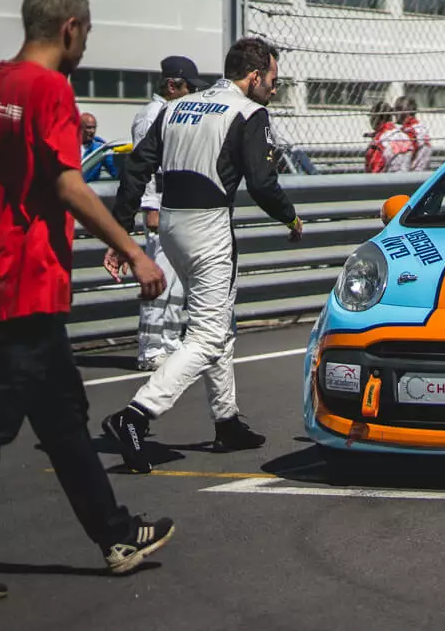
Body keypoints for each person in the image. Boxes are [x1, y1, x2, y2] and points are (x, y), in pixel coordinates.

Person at [0, 0, 173, 603]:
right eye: (88, 34)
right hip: (31, 275)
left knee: (64, 424)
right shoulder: (50, 88)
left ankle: (115, 536)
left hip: (3, 265)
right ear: (72, 29)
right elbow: (66, 184)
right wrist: (134, 249)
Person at [102, 37, 302, 471]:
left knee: (217, 322)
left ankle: (227, 421)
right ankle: (136, 415)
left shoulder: (178, 106)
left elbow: (137, 168)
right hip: (209, 227)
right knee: (209, 334)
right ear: (253, 76)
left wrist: (120, 231)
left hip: (171, 225)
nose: (273, 88)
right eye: (273, 80)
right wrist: (290, 219)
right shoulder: (248, 111)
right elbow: (263, 183)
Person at [128, 58, 200, 371]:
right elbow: (142, 168)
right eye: (188, 87)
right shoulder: (151, 116)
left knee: (176, 285)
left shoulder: (172, 112)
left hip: (178, 210)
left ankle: (170, 342)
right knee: (157, 282)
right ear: (172, 85)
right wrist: (150, 208)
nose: (192, 94)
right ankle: (149, 349)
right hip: (160, 210)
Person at [392, 96, 433, 172]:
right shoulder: (422, 128)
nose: (393, 113)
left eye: (396, 109)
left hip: (411, 172)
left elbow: (403, 159)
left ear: (404, 111)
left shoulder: (408, 131)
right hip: (422, 171)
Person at [364, 103, 405, 174]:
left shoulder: (379, 140)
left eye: (371, 117)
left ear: (376, 118)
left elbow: (375, 170)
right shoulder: (403, 135)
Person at [78, 111, 119, 181]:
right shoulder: (69, 147)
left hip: (89, 188)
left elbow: (115, 171)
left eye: (94, 128)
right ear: (79, 128)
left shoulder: (99, 149)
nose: (92, 131)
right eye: (89, 127)